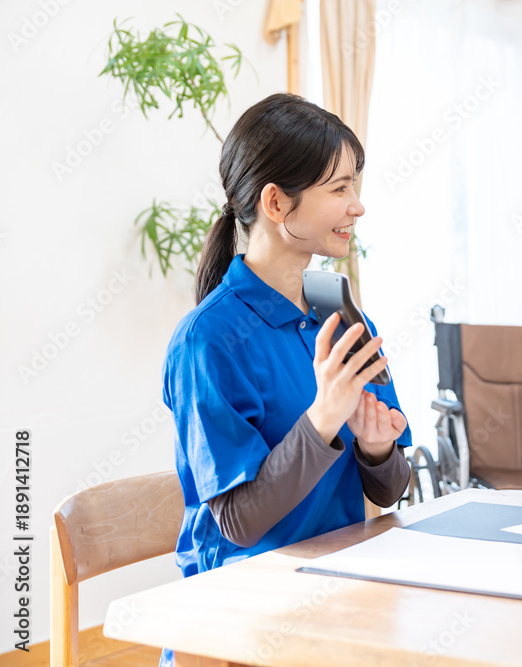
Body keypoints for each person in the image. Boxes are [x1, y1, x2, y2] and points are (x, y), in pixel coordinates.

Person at [160, 94, 411, 664]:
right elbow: (239, 523)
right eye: (340, 189)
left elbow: (390, 489)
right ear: (277, 202)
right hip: (242, 619)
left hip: (338, 592)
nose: (358, 206)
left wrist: (376, 448)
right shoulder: (207, 341)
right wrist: (324, 419)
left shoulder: (343, 317)